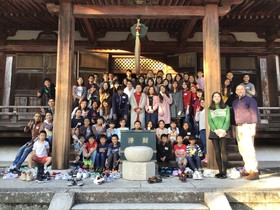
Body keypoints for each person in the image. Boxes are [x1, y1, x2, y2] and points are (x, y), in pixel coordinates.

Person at [232, 85, 259, 180]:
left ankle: (254, 171)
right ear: (235, 91)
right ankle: (248, 169)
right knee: (242, 149)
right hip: (238, 127)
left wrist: (253, 127)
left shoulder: (250, 100)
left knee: (249, 149)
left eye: (242, 89)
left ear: (245, 90)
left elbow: (254, 113)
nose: (240, 91)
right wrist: (233, 129)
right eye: (238, 89)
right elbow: (233, 116)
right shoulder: (235, 102)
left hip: (248, 126)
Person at [208, 92, 230, 179]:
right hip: (215, 132)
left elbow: (227, 119)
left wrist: (224, 130)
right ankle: (220, 171)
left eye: (218, 96)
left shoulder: (226, 107)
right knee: (217, 152)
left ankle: (224, 171)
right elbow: (210, 121)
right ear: (212, 98)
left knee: (223, 151)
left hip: (224, 131)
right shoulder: (210, 109)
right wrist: (216, 130)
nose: (216, 98)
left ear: (221, 98)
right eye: (215, 97)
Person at [195, 97, 207, 163]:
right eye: (201, 102)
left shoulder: (207, 110)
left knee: (206, 143)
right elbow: (196, 119)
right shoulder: (202, 111)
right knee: (203, 143)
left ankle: (207, 156)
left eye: (203, 102)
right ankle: (206, 156)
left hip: (205, 128)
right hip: (201, 129)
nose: (202, 103)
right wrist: (197, 112)